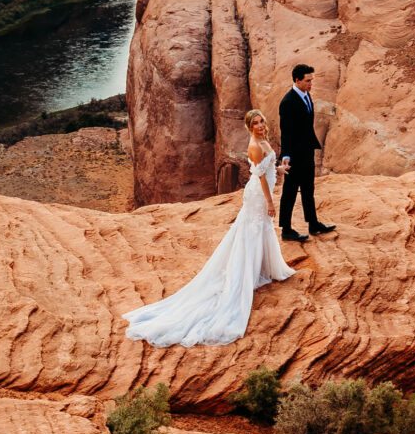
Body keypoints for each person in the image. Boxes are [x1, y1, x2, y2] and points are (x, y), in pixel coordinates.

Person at [123, 108, 294, 347]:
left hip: (260, 193)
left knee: (260, 230)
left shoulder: (263, 141)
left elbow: (267, 168)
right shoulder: (254, 146)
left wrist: (279, 169)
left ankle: (260, 268)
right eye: (255, 123)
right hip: (258, 196)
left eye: (262, 121)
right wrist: (269, 201)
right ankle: (245, 275)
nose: (261, 125)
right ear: (249, 126)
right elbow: (260, 178)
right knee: (252, 232)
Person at [277, 63, 333, 239]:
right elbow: (285, 131)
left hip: (307, 151)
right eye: (308, 81)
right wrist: (286, 156)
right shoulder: (287, 102)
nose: (311, 84)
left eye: (311, 80)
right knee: (290, 191)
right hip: (294, 155)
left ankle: (313, 224)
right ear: (297, 80)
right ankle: (286, 230)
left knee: (309, 189)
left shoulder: (307, 96)